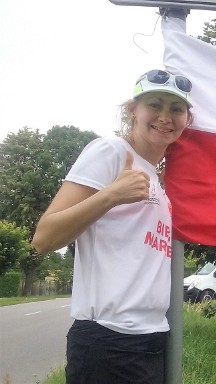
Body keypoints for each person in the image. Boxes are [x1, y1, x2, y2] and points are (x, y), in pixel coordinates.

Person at [31, 69, 194, 384]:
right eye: (155, 105)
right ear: (133, 110)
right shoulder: (111, 152)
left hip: (151, 337)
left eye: (176, 109)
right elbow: (44, 238)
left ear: (187, 118)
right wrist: (111, 196)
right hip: (108, 341)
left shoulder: (158, 180)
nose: (165, 116)